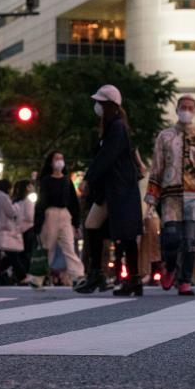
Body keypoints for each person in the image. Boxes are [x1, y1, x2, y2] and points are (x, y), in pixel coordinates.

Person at [147, 94, 195, 297]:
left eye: (190, 107)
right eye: (183, 107)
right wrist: (151, 198)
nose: (186, 110)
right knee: (171, 237)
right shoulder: (165, 136)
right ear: (177, 109)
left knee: (190, 241)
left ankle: (185, 281)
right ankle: (171, 267)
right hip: (170, 196)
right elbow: (157, 167)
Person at [79, 85, 144, 297]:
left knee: (125, 235)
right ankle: (99, 273)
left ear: (110, 105)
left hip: (119, 189)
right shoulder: (113, 127)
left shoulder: (117, 127)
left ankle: (130, 279)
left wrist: (88, 178)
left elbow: (106, 157)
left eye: (100, 102)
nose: (97, 106)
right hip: (112, 189)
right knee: (95, 225)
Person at [34, 151, 84, 286]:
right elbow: (41, 202)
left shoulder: (67, 180)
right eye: (56, 159)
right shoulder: (46, 180)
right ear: (51, 162)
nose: (60, 161)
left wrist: (76, 223)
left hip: (65, 214)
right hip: (50, 214)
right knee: (47, 247)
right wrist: (38, 223)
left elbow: (73, 202)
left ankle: (78, 275)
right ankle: (37, 277)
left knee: (69, 246)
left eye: (61, 158)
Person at [12, 179, 36, 283]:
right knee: (28, 254)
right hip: (28, 229)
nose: (32, 187)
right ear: (27, 187)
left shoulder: (16, 201)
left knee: (20, 254)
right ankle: (26, 275)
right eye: (30, 186)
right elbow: (30, 217)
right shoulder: (28, 201)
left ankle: (20, 276)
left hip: (18, 230)